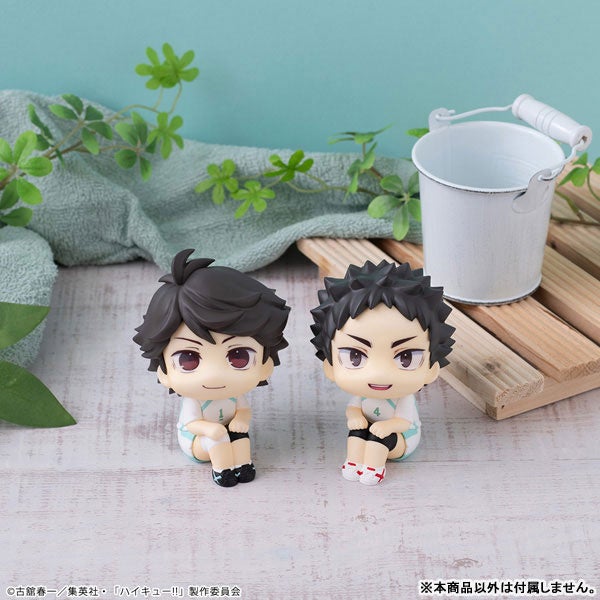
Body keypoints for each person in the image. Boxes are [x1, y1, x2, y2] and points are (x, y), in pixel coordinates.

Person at [134, 249, 290, 487]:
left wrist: (241, 419)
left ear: (264, 365)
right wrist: (212, 430)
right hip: (197, 441)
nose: (214, 374)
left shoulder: (234, 396)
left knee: (239, 435)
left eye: (239, 357)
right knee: (219, 439)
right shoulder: (195, 402)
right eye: (188, 359)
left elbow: (243, 411)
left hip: (226, 432)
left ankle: (243, 465)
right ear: (164, 372)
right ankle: (222, 470)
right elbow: (191, 424)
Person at [310, 259, 455, 485]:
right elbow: (353, 409)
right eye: (355, 356)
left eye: (406, 358)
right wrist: (356, 417)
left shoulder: (403, 399)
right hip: (371, 429)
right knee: (357, 433)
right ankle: (353, 462)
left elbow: (404, 423)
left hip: (402, 439)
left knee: (379, 438)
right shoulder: (362, 395)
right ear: (330, 366)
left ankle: (375, 468)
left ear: (431, 369)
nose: (379, 373)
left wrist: (386, 426)